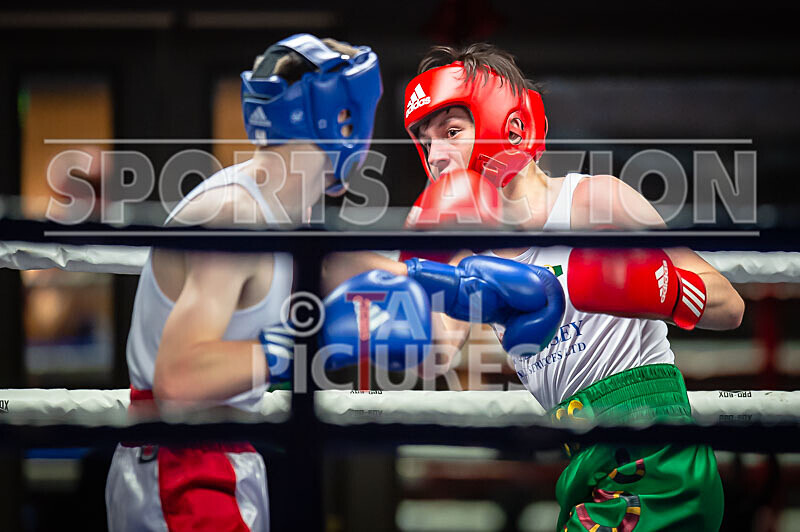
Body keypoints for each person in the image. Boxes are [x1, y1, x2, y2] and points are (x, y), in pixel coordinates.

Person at [325, 43, 745, 531]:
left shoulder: (594, 203)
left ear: (512, 126)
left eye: (452, 132)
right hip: (584, 461)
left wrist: (659, 288)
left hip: (656, 454)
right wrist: (342, 269)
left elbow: (730, 304)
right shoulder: (468, 254)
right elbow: (437, 350)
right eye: (425, 140)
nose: (436, 154)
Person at [105, 33, 387, 531]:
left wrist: (448, 284)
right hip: (184, 465)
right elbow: (179, 380)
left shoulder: (281, 212)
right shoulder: (234, 216)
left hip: (220, 451)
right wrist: (311, 339)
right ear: (342, 119)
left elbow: (328, 265)